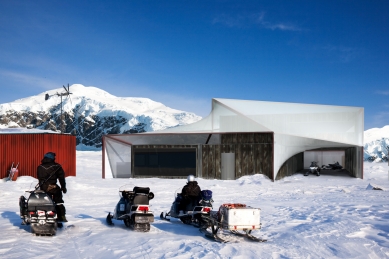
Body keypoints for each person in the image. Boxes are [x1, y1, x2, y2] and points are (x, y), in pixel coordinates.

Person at [37, 152, 68, 223]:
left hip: (43, 188)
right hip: (53, 187)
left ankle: (45, 216)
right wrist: (63, 187)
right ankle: (61, 217)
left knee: (46, 202)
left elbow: (40, 178)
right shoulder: (56, 166)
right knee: (59, 201)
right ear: (52, 158)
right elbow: (61, 178)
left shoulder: (40, 167)